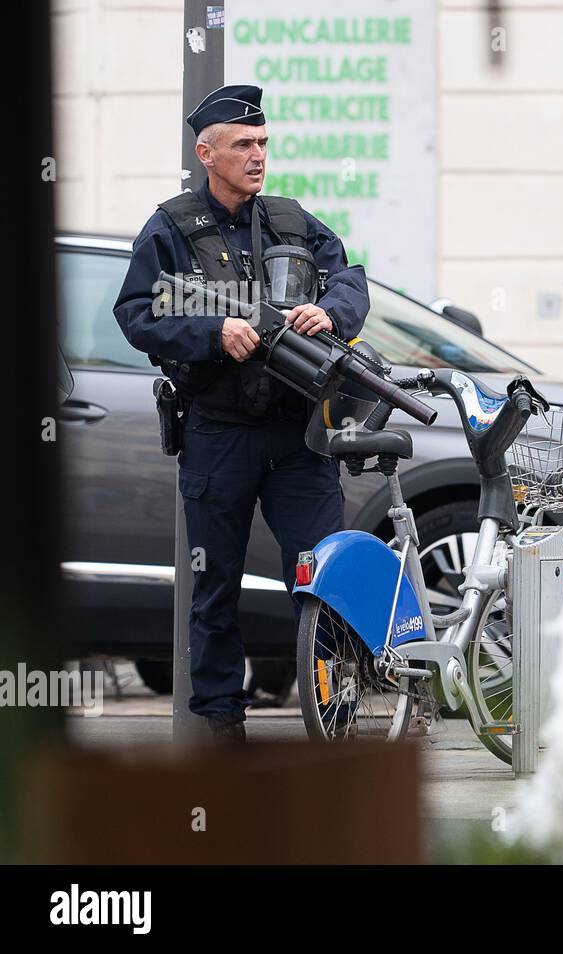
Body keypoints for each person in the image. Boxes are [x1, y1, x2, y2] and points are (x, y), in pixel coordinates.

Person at [113, 84, 369, 742]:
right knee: (215, 585)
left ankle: (336, 711)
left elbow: (349, 277)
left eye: (262, 144)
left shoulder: (289, 219)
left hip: (294, 432)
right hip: (218, 431)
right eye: (243, 145)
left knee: (322, 572)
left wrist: (331, 312)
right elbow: (136, 313)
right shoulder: (172, 226)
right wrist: (211, 332)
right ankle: (222, 730)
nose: (258, 156)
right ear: (207, 153)